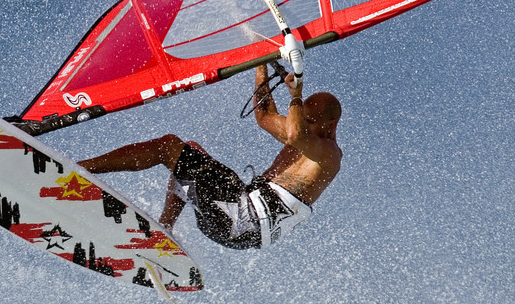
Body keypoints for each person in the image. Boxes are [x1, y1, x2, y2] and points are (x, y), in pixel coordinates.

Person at [78, 66, 342, 249]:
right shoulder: (306, 136)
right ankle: (165, 229)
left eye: (309, 120)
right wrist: (261, 65)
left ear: (329, 125)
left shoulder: (328, 154)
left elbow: (295, 133)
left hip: (244, 219)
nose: (302, 124)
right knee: (189, 152)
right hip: (239, 214)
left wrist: (295, 95)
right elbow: (264, 117)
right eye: (303, 119)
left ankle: (80, 169)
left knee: (168, 147)